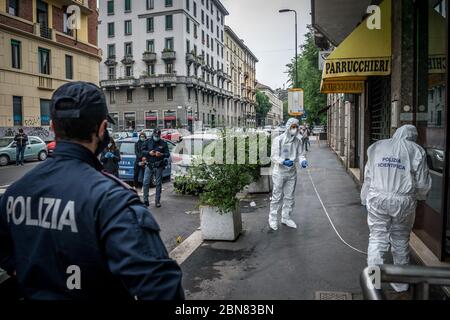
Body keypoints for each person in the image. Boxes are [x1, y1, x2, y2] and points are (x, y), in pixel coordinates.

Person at [0, 82, 184, 300]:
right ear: (102, 128)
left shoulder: (15, 193)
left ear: (52, 127)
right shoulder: (113, 200)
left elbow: (6, 255)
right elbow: (163, 289)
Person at [361, 125, 432, 293]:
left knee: (377, 238)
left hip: (377, 198)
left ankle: (373, 282)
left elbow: (368, 176)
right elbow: (422, 184)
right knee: (400, 239)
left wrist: (364, 198)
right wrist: (420, 196)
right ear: (412, 137)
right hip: (403, 201)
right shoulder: (416, 150)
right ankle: (401, 283)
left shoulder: (377, 146)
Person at [269, 118, 303, 231]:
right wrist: (283, 161)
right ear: (288, 127)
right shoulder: (278, 139)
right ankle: (273, 219)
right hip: (279, 172)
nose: (295, 129)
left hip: (292, 172)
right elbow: (274, 156)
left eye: (296, 127)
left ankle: (286, 217)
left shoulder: (298, 141)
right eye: (293, 127)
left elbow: (301, 154)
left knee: (289, 197)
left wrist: (303, 161)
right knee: (276, 197)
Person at [142, 129, 170, 208]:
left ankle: (157, 201)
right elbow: (142, 150)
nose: (156, 137)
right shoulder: (148, 141)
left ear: (160, 135)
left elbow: (167, 154)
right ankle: (145, 200)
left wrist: (161, 154)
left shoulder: (163, 143)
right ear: (153, 135)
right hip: (149, 165)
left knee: (158, 184)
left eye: (158, 136)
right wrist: (149, 153)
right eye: (155, 136)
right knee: (146, 182)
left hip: (159, 165)